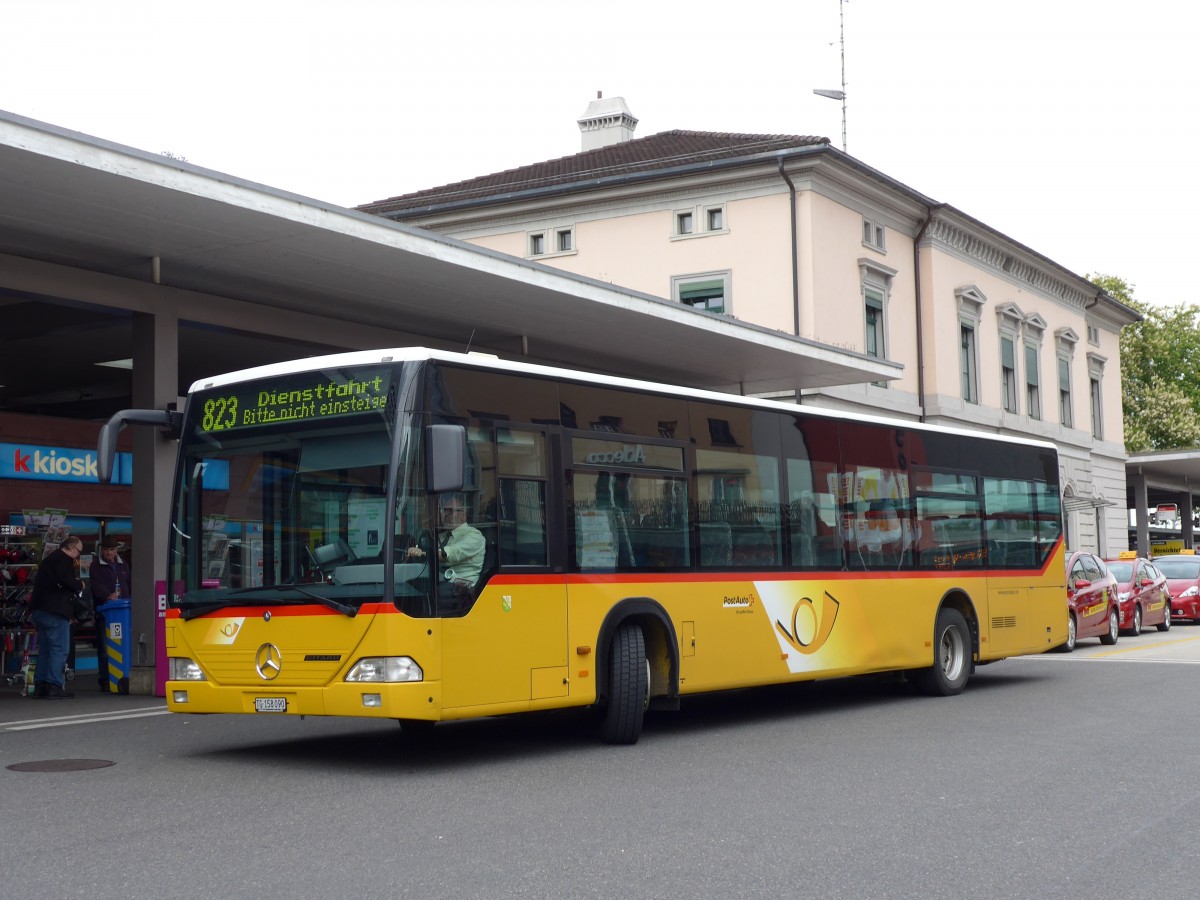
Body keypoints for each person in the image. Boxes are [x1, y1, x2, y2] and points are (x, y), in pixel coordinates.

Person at [29, 535, 84, 699]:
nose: (78, 556)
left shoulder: (49, 559)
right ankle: (54, 685)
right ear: (72, 548)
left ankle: (40, 686)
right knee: (59, 649)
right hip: (55, 611)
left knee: (45, 649)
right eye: (78, 552)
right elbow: (67, 581)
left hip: (39, 610)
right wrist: (79, 584)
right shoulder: (64, 560)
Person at [407, 492, 485, 590]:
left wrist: (423, 553)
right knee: (410, 584)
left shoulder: (474, 536)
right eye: (444, 510)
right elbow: (426, 553)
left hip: (464, 591)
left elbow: (447, 554)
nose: (445, 514)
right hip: (443, 584)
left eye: (451, 511)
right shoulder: (442, 536)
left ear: (463, 515)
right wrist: (415, 551)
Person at [89, 536, 130, 692]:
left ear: (116, 550)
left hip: (123, 611)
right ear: (101, 550)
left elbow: (129, 584)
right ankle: (105, 679)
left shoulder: (123, 565)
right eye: (106, 549)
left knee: (123, 645)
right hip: (105, 612)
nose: (108, 552)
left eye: (111, 549)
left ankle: (122, 676)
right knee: (105, 648)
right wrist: (108, 595)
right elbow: (96, 586)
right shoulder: (95, 566)